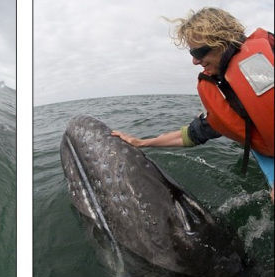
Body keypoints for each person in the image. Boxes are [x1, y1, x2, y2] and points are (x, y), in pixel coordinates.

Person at [111, 7, 274, 199]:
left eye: (199, 51)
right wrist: (142, 142)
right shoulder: (227, 90)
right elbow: (194, 133)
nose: (195, 61)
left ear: (223, 41)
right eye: (192, 53)